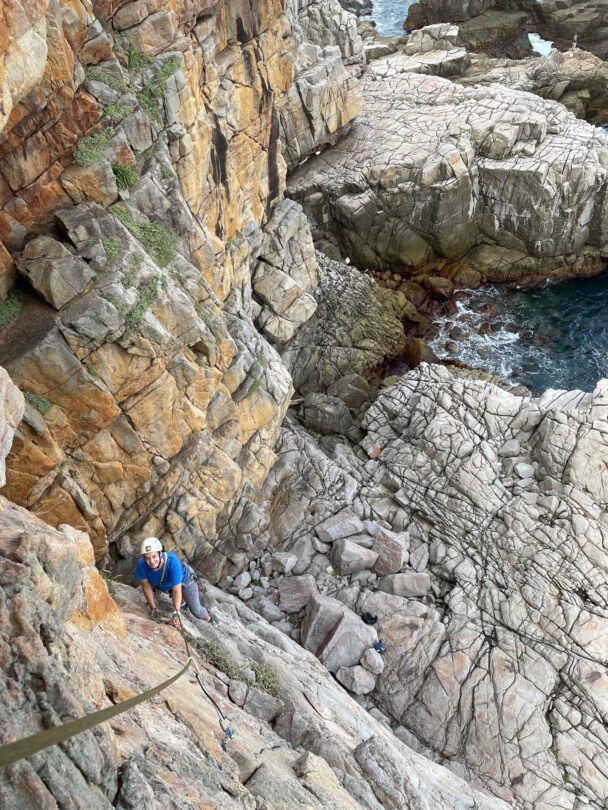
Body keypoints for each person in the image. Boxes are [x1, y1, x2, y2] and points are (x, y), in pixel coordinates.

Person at [135, 537, 210, 628]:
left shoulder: (172, 561)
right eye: (147, 558)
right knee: (178, 600)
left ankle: (209, 619)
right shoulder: (142, 564)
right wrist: (153, 608)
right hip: (166, 583)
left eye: (154, 556)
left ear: (160, 553)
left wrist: (176, 613)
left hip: (185, 579)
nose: (151, 561)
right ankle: (182, 602)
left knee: (196, 610)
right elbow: (146, 586)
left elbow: (176, 590)